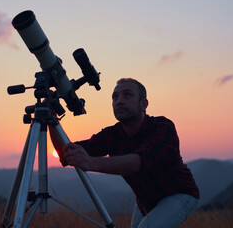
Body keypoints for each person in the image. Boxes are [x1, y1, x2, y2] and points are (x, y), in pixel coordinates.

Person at [50, 78, 199, 228]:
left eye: (127, 95)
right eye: (115, 97)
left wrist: (90, 162)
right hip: (145, 201)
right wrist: (52, 121)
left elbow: (138, 161)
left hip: (179, 194)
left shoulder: (163, 128)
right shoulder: (112, 134)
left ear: (143, 104)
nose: (119, 101)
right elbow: (67, 151)